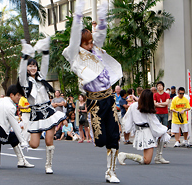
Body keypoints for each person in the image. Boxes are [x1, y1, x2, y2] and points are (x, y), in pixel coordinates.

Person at [62, 1, 122, 183]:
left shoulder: (96, 49)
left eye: (90, 42)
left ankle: (111, 172)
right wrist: (78, 15)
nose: (89, 45)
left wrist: (104, 5)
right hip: (94, 102)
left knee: (114, 137)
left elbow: (102, 28)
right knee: (101, 140)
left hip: (109, 98)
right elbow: (74, 40)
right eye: (86, 43)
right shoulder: (74, 56)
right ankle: (108, 166)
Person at [19, 37, 66, 174]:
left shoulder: (41, 77)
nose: (33, 68)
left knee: (49, 140)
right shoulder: (24, 81)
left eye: (34, 65)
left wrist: (45, 51)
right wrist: (24, 56)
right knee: (33, 144)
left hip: (48, 111)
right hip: (35, 113)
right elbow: (21, 71)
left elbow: (45, 63)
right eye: (30, 65)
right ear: (27, 67)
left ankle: (49, 165)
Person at [118, 89, 170, 165]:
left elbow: (127, 119)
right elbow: (154, 122)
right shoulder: (145, 107)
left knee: (147, 160)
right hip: (147, 132)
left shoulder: (134, 106)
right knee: (147, 160)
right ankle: (125, 155)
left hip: (141, 131)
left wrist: (127, 129)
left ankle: (158, 157)